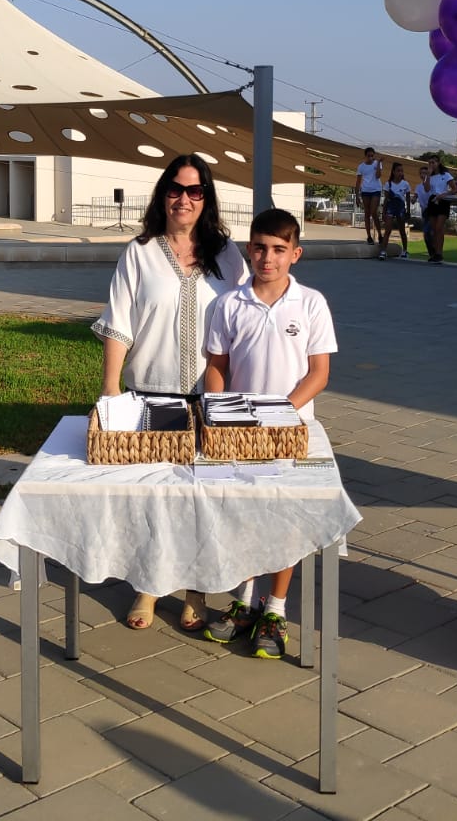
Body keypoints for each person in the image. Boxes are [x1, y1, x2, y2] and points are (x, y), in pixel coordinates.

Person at [94, 154, 250, 631]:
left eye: (195, 190)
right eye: (176, 189)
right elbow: (119, 323)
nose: (184, 199)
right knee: (154, 497)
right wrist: (110, 390)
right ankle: (147, 585)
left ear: (207, 197)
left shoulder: (227, 256)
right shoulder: (140, 252)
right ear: (164, 195)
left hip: (210, 398)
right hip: (151, 395)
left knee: (200, 497)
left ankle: (196, 589)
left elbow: (245, 319)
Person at [201, 208, 338, 659]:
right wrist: (220, 413)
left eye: (279, 249)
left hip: (288, 432)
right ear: (248, 250)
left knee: (284, 517)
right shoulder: (228, 304)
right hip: (240, 431)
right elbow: (217, 367)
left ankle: (275, 609)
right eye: (260, 248)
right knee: (242, 513)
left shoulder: (312, 303)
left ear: (295, 254)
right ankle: (244, 601)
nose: (268, 258)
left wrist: (279, 413)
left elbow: (318, 374)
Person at [418, 160, 455, 263]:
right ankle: (435, 253)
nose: (431, 165)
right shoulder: (430, 177)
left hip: (443, 200)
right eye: (429, 163)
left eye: (433, 162)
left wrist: (444, 194)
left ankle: (439, 253)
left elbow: (454, 189)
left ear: (438, 163)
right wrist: (428, 175)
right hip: (433, 200)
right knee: (434, 229)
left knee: (439, 227)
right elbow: (426, 189)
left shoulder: (445, 175)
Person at [377, 162, 413, 260]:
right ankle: (383, 251)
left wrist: (408, 211)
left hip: (400, 207)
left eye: (402, 171)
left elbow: (408, 198)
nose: (400, 173)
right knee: (388, 230)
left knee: (402, 230)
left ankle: (405, 250)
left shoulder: (405, 184)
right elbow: (386, 199)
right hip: (391, 207)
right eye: (398, 171)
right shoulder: (388, 184)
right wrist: (383, 212)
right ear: (393, 172)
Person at [355, 147, 384, 245]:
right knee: (367, 213)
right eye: (369, 156)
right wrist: (357, 196)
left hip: (376, 190)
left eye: (372, 156)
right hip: (365, 191)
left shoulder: (377, 163)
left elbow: (378, 176)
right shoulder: (361, 167)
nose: (370, 157)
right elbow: (358, 182)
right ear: (365, 156)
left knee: (373, 212)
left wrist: (379, 163)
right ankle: (369, 236)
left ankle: (380, 234)